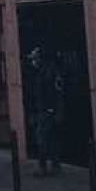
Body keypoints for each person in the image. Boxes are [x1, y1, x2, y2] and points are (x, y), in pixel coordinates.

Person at [27, 47, 65, 177]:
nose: (33, 62)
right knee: (48, 138)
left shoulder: (51, 72)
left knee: (43, 138)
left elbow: (58, 93)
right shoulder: (39, 72)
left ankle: (45, 166)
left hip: (48, 110)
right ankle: (54, 165)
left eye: (35, 59)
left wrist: (57, 111)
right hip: (42, 110)